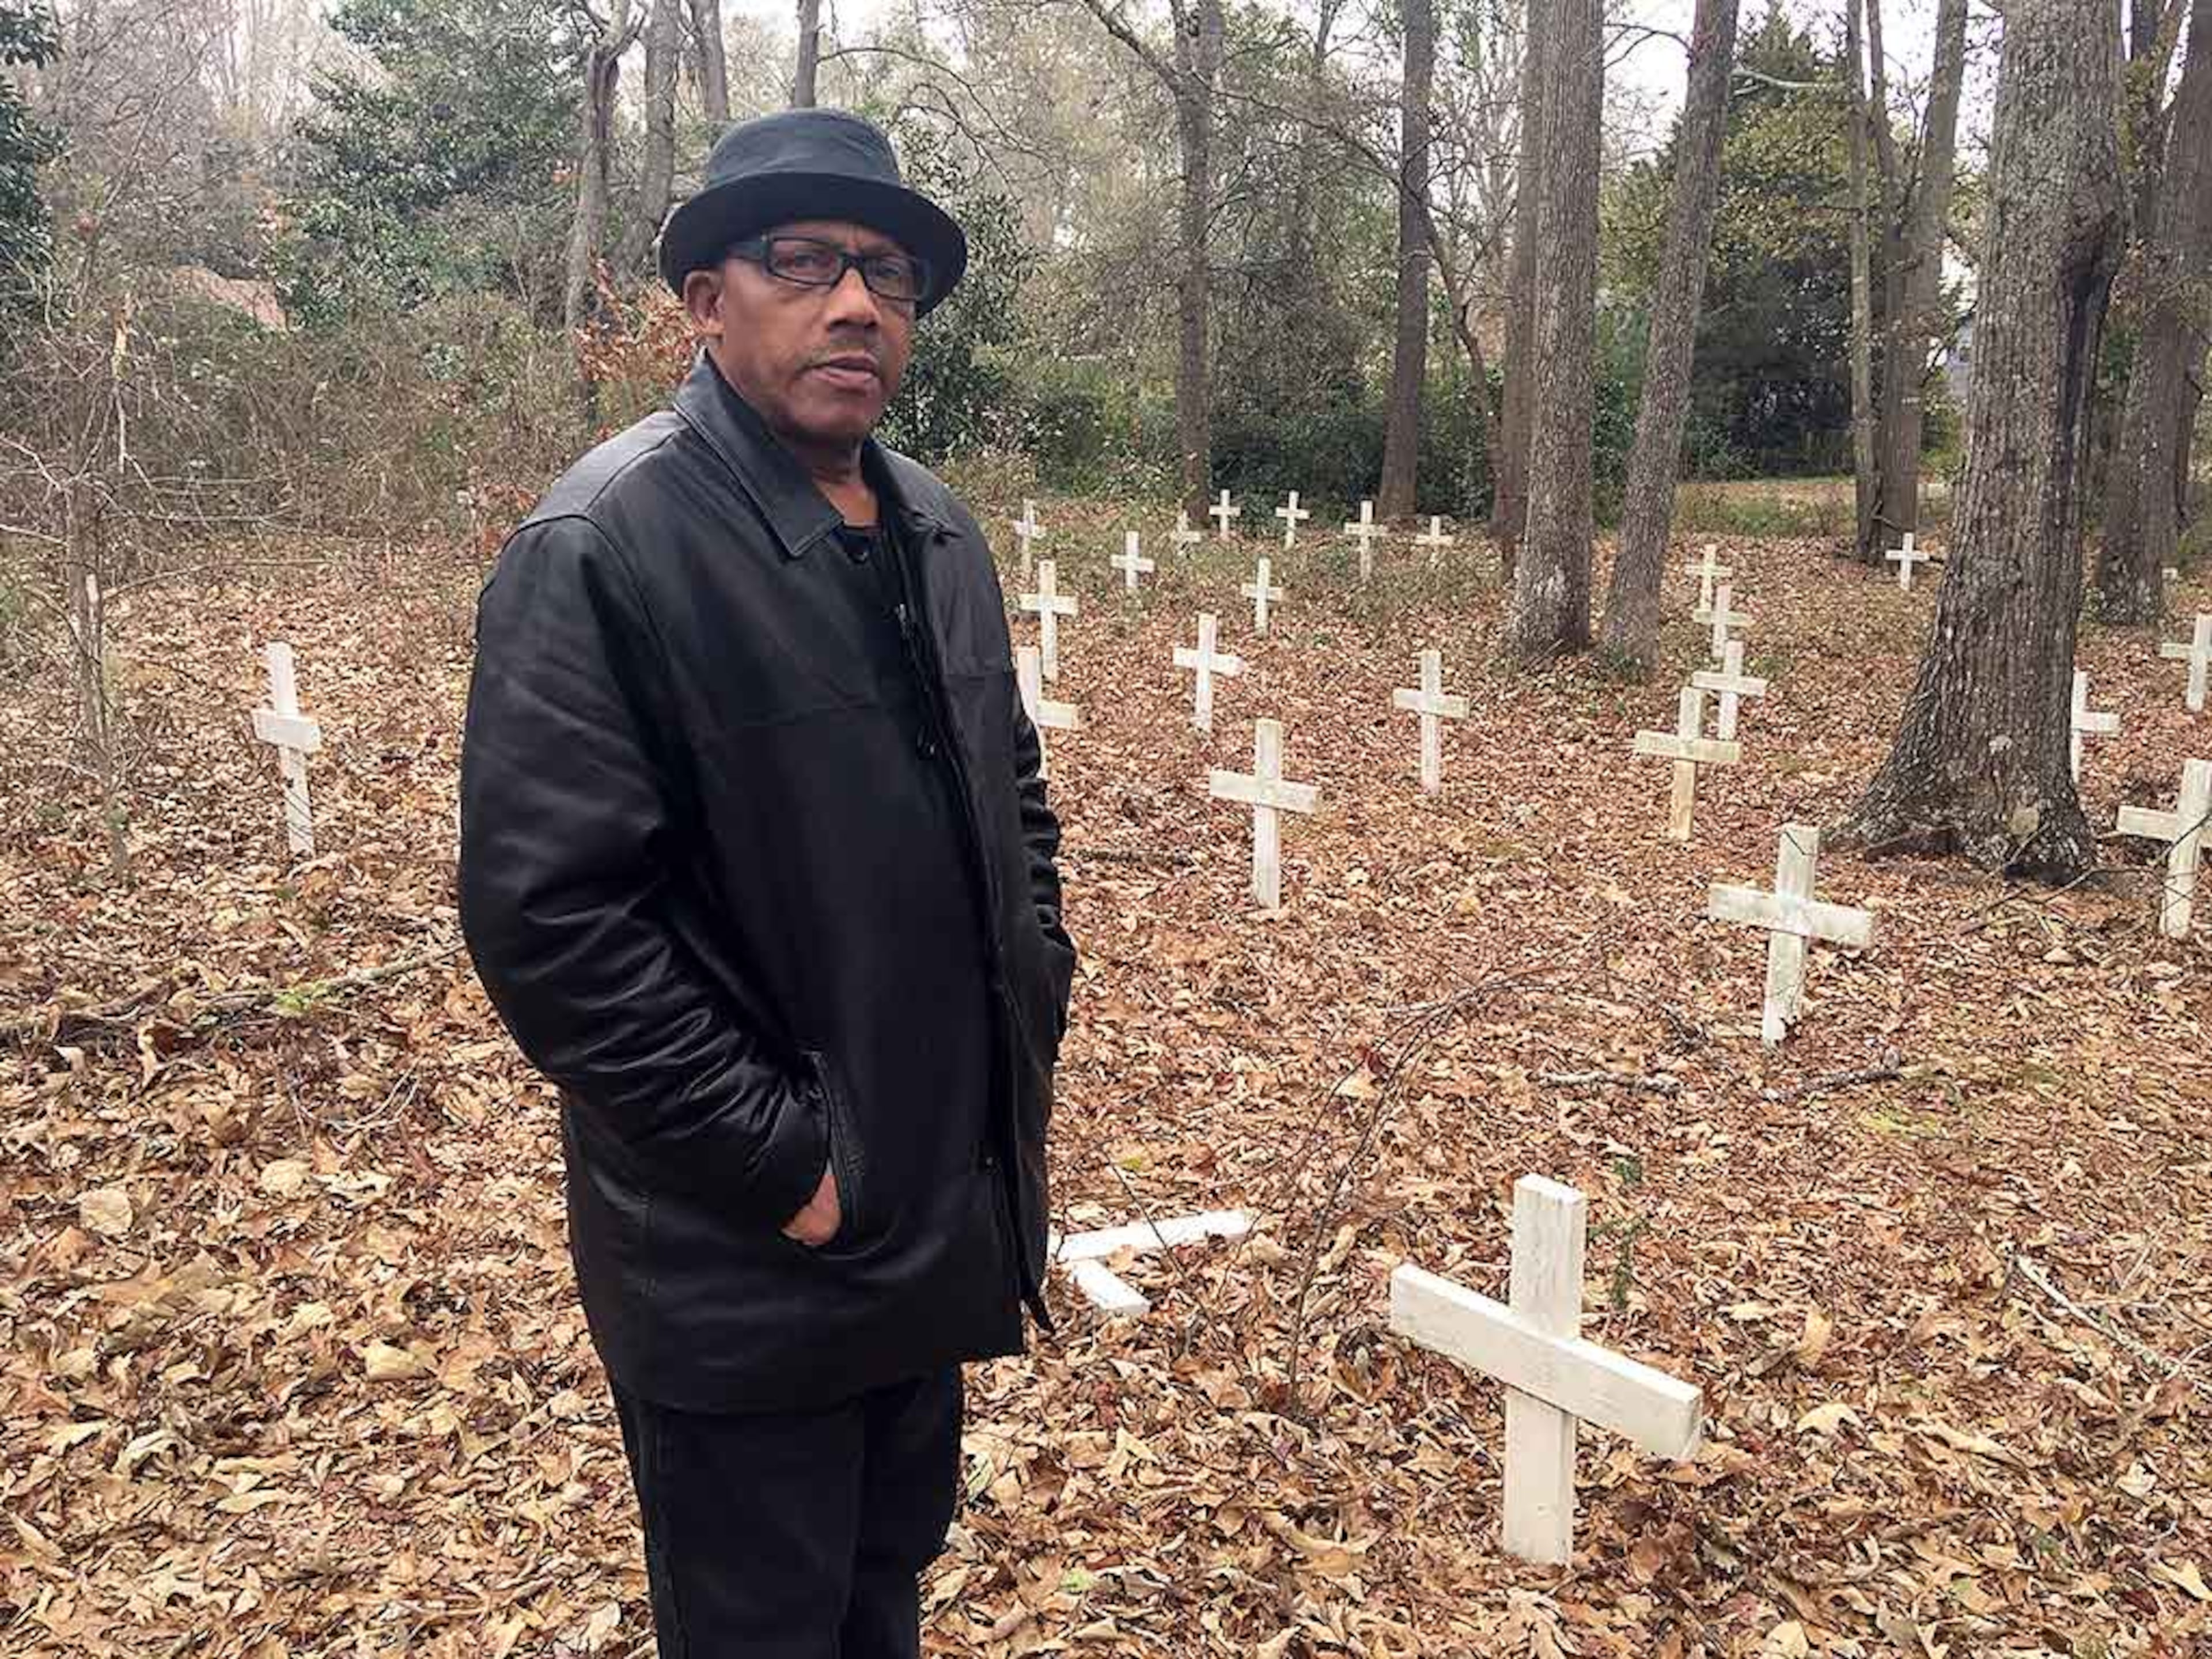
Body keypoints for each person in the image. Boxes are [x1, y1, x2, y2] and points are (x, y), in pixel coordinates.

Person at [456, 107, 1074, 1658]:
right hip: (752, 1255)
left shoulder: (938, 530)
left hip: (934, 1208)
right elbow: (556, 920)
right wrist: (789, 1167)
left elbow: (1010, 791)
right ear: (706, 300)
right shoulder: (606, 542)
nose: (857, 303)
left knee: (882, 1596)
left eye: (888, 274)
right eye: (804, 262)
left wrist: (1035, 989)